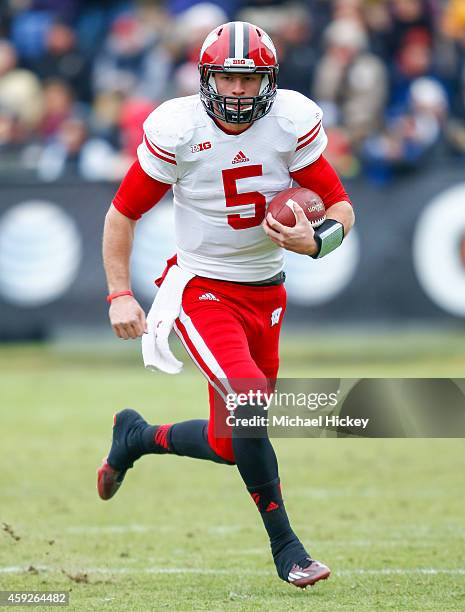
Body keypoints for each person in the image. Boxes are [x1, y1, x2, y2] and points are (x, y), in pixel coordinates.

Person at [98, 21, 354, 589]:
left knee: (230, 441)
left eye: (249, 78)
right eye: (227, 77)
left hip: (267, 292)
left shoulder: (290, 121)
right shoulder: (179, 127)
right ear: (206, 78)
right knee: (252, 400)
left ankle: (136, 437)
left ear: (268, 80)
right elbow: (123, 213)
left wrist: (317, 241)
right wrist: (120, 292)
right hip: (201, 288)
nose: (238, 90)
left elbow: (339, 207)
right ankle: (288, 548)